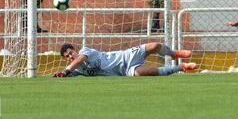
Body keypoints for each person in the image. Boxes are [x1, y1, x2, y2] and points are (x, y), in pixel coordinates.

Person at [54, 42, 197, 77]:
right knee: (144, 73)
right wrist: (60, 74)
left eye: (71, 53)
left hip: (126, 56)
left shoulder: (85, 51)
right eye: (67, 57)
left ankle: (173, 53)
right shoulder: (78, 70)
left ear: (75, 50)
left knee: (154, 45)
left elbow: (77, 61)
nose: (71, 56)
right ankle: (181, 67)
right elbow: (71, 72)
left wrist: (65, 71)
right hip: (125, 70)